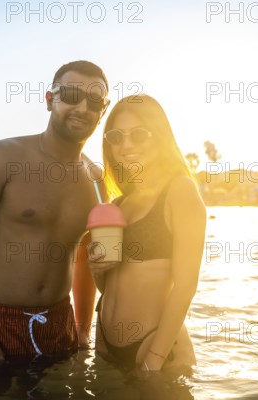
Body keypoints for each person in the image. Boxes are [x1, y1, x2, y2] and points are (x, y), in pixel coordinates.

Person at [0, 60, 110, 365]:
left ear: (103, 110)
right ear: (50, 100)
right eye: (71, 95)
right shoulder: (3, 158)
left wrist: (83, 330)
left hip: (60, 323)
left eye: (95, 101)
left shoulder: (95, 180)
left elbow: (85, 258)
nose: (83, 108)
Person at [87, 94, 206, 372]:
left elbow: (186, 286)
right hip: (106, 345)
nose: (126, 145)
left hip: (154, 349)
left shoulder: (179, 190)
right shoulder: (119, 204)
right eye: (116, 137)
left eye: (138, 135)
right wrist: (96, 269)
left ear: (159, 137)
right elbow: (112, 287)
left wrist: (154, 359)